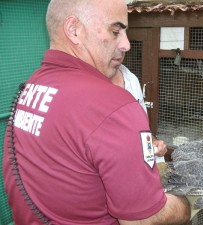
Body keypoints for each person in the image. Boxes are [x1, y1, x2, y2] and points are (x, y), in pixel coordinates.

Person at [3, 0, 191, 224]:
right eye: (115, 31)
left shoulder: (32, 87)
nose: (126, 44)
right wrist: (186, 204)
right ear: (74, 30)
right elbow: (143, 219)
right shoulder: (115, 106)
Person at [110, 62, 167, 157]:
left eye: (129, 45)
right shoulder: (86, 85)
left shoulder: (131, 79)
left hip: (133, 159)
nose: (126, 47)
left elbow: (142, 127)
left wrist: (153, 142)